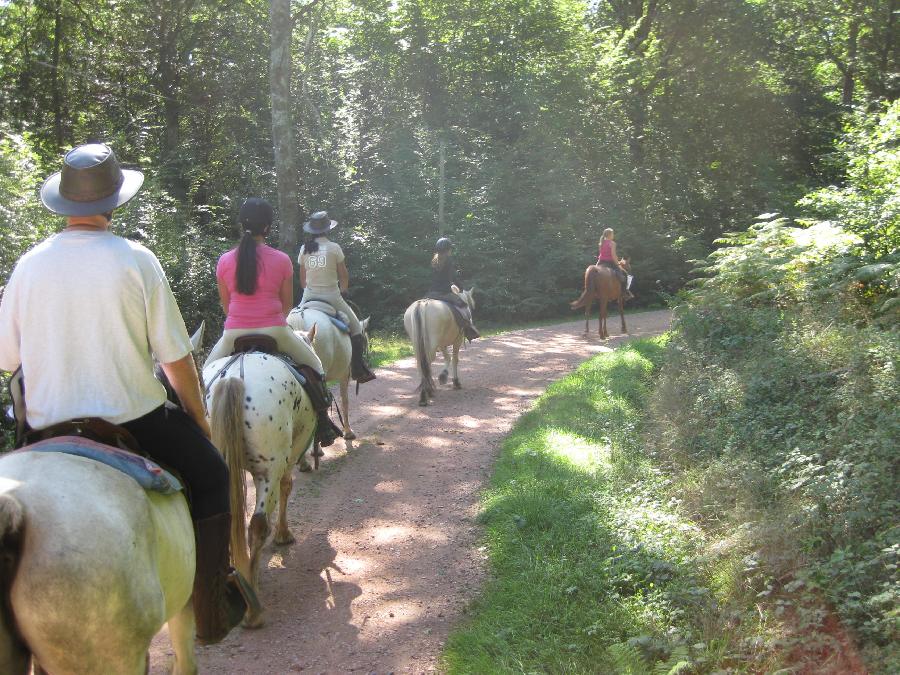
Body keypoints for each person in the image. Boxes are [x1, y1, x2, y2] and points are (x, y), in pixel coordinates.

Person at [0, 143, 255, 644]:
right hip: (135, 420)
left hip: (45, 426)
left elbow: (6, 359)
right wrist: (199, 420)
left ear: (64, 204)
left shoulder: (29, 264)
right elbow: (175, 360)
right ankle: (211, 604)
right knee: (211, 474)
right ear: (114, 202)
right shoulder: (135, 260)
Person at [203, 198, 342, 447]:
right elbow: (287, 305)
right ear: (267, 228)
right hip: (276, 331)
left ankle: (201, 433)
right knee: (316, 369)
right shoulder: (281, 259)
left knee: (202, 379)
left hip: (233, 333)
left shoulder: (224, 261)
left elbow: (226, 306)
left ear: (240, 224)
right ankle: (323, 425)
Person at [297, 211, 376, 383]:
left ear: (311, 230)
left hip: (308, 296)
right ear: (327, 229)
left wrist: (311, 290)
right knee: (356, 329)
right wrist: (344, 291)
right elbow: (344, 276)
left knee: (291, 320)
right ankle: (357, 370)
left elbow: (302, 279)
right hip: (332, 295)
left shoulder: (304, 249)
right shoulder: (334, 248)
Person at [425, 237, 480, 341]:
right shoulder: (448, 260)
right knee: (463, 306)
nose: (451, 250)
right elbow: (453, 277)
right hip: (445, 292)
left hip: (431, 293)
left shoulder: (434, 261)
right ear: (447, 250)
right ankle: (469, 330)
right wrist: (461, 288)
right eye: (450, 249)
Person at [596, 228, 633, 300]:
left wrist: (597, 265)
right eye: (613, 234)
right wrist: (618, 264)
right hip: (610, 262)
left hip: (601, 262)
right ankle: (625, 293)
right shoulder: (612, 243)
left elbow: (601, 254)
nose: (613, 235)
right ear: (610, 235)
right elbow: (613, 255)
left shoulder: (601, 243)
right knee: (624, 275)